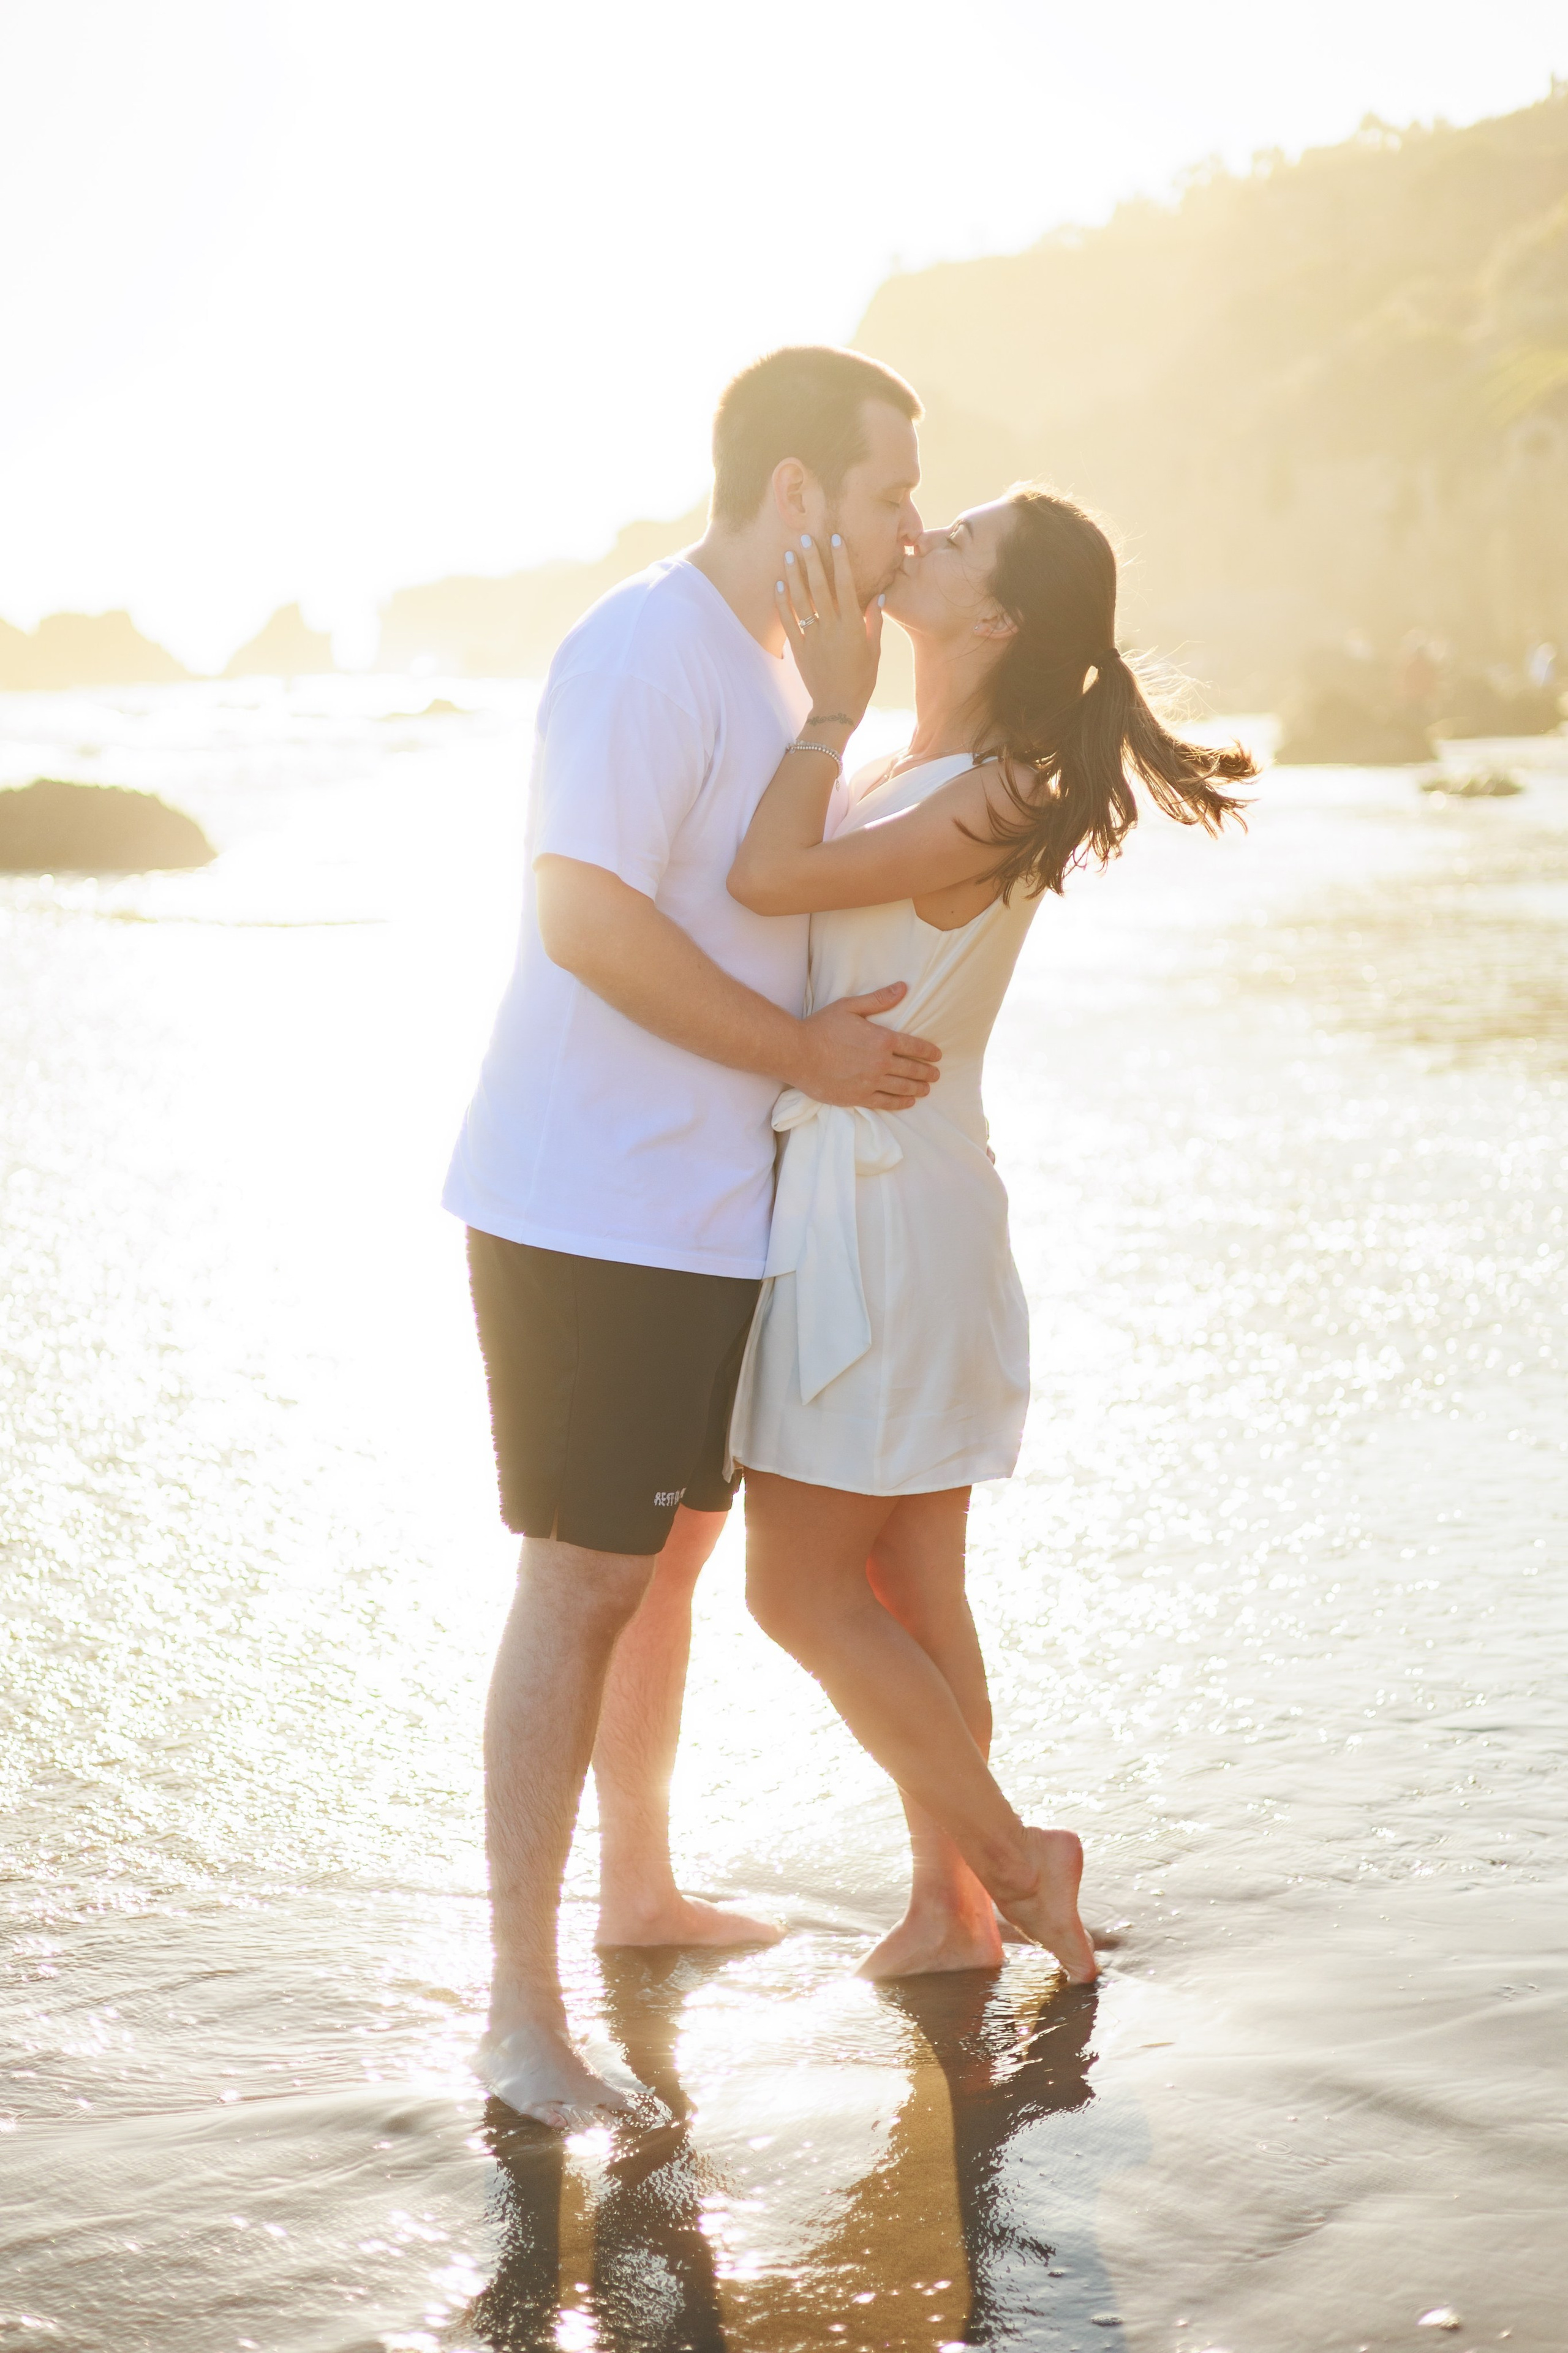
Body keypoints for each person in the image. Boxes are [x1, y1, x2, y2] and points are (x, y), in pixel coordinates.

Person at [445, 346, 938, 2128]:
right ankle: (518, 2011)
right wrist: (808, 1054)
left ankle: (637, 1892)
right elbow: (580, 916)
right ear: (798, 494)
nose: (911, 527)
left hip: (714, 1211)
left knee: (661, 1574)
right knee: (578, 1583)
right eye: (890, 494)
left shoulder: (776, 667)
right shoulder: (647, 648)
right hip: (588, 1204)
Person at [728, 490, 1256, 1979]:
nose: (922, 541)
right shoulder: (939, 768)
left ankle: (1013, 1859)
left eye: (950, 542)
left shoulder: (993, 788)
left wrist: (823, 712)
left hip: (886, 1216)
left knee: (799, 1589)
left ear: (997, 619)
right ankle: (951, 1908)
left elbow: (765, 881)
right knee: (906, 1584)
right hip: (895, 1186)